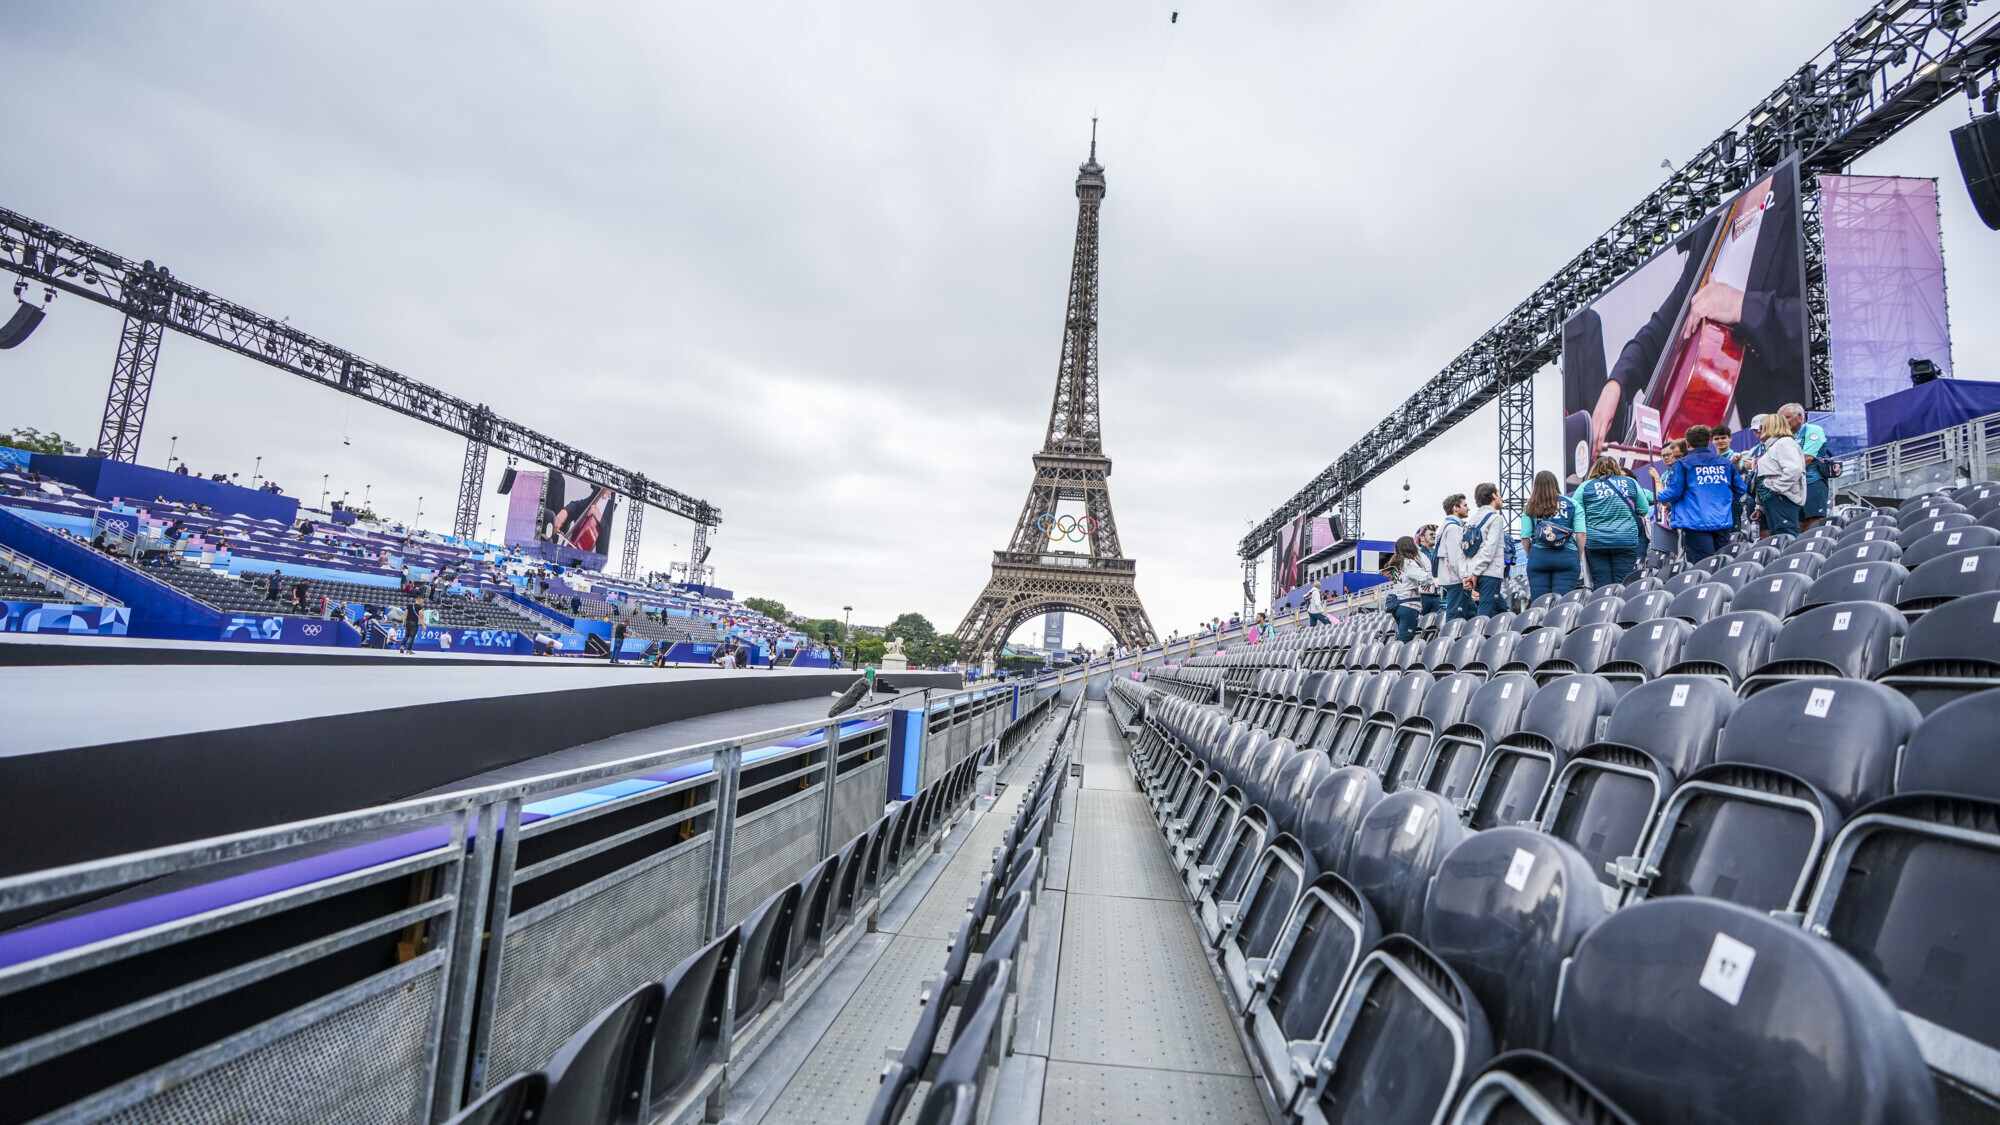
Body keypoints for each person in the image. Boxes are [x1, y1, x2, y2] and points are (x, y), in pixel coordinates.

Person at [1656, 425, 1746, 563]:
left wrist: (1660, 496)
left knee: (1704, 566)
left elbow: (1673, 492)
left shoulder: (1682, 463)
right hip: (1722, 521)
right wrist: (1725, 502)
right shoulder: (1725, 462)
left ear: (1688, 443)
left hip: (1695, 524)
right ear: (1709, 441)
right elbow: (1740, 488)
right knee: (1723, 563)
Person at [1571, 458, 1652, 587]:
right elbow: (1643, 510)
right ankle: (1621, 606)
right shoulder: (1630, 482)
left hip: (1596, 542)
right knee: (1623, 582)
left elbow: (1575, 513)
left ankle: (1605, 605)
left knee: (1602, 583)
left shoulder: (1585, 486)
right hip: (1625, 540)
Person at [1520, 471, 1587, 599]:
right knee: (1562, 604)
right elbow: (1581, 534)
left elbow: (1524, 536)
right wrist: (1578, 556)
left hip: (1538, 557)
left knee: (1540, 604)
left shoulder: (1529, 507)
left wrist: (1531, 554)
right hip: (1567, 556)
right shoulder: (1573, 504)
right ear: (1555, 484)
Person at [1748, 411, 1807, 538]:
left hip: (1782, 498)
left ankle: (1792, 558)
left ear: (1772, 427)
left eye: (1763, 427)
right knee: (1778, 536)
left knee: (1787, 536)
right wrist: (1760, 506)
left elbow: (1794, 469)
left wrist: (1775, 491)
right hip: (1774, 499)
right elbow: (1763, 477)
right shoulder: (1771, 446)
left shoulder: (1784, 442)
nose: (1759, 431)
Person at [1457, 484, 1510, 618]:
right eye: (1499, 494)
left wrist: (1466, 574)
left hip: (1474, 572)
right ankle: (1479, 638)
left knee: (1501, 610)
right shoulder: (1495, 518)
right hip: (1489, 572)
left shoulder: (1470, 521)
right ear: (1493, 495)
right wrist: (1474, 573)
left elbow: (1462, 551)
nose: (1501, 498)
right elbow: (1490, 548)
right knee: (1485, 614)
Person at [1779, 403, 1831, 530]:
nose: (1784, 422)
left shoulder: (1813, 430)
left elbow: (1807, 458)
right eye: (1781, 420)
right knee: (1799, 524)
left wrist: (1784, 475)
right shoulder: (1785, 437)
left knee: (1815, 522)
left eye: (1787, 417)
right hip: (1794, 486)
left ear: (1800, 416)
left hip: (1812, 482)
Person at [1380, 536, 1428, 642]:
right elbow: (1425, 578)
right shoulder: (1408, 563)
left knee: (1402, 638)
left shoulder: (1395, 564)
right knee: (1405, 640)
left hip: (1397, 606)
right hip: (1409, 606)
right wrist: (1428, 580)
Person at [1646, 440, 1688, 558]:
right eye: (1663, 456)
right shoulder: (1666, 474)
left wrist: (1657, 479)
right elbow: (1661, 497)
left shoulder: (1683, 469)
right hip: (1670, 518)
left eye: (1668, 454)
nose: (1665, 458)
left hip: (1684, 514)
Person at [1435, 494, 1474, 620]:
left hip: (1453, 579)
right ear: (1455, 508)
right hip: (1456, 580)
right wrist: (1465, 577)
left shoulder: (1445, 528)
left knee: (1472, 613)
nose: (1468, 508)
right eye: (1465, 505)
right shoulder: (1453, 529)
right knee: (1455, 616)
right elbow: (1456, 558)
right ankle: (1450, 639)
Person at [1414, 524, 1443, 616]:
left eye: (1435, 534)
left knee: (1433, 624)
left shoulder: (1437, 552)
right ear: (1422, 538)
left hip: (1437, 594)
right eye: (1431, 534)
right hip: (1422, 595)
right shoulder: (1416, 554)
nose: (1434, 536)